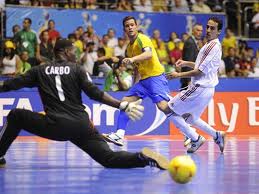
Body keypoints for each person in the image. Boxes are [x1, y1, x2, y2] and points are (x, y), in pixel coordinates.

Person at [0, 39, 169, 170]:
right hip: (82, 126)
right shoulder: (77, 69)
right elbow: (95, 93)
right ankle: (142, 158)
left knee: (15, 115)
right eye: (73, 50)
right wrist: (121, 105)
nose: (76, 53)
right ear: (65, 52)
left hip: (55, 125)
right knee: (108, 158)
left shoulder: (39, 70)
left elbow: (12, 84)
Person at [103, 16, 174, 146]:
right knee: (124, 102)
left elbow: (148, 54)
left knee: (164, 107)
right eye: (127, 26)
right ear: (124, 29)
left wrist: (132, 59)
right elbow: (137, 69)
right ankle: (119, 135)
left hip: (155, 77)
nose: (130, 27)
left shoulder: (143, 38)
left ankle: (189, 133)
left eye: (132, 25)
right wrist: (135, 87)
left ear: (136, 26)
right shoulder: (129, 48)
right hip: (143, 81)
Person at [166, 17, 226, 153]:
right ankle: (217, 135)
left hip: (200, 87)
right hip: (207, 89)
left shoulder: (213, 46)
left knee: (169, 110)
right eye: (208, 27)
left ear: (219, 32)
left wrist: (178, 75)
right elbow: (201, 66)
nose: (209, 30)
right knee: (190, 118)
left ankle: (195, 138)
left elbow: (199, 71)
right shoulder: (208, 45)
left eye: (213, 28)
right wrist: (186, 63)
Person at [180, 23, 203, 91]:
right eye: (198, 30)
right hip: (189, 80)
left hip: (192, 78)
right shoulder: (190, 42)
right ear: (192, 31)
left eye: (201, 31)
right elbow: (188, 62)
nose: (200, 33)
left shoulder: (194, 42)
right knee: (184, 100)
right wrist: (189, 80)